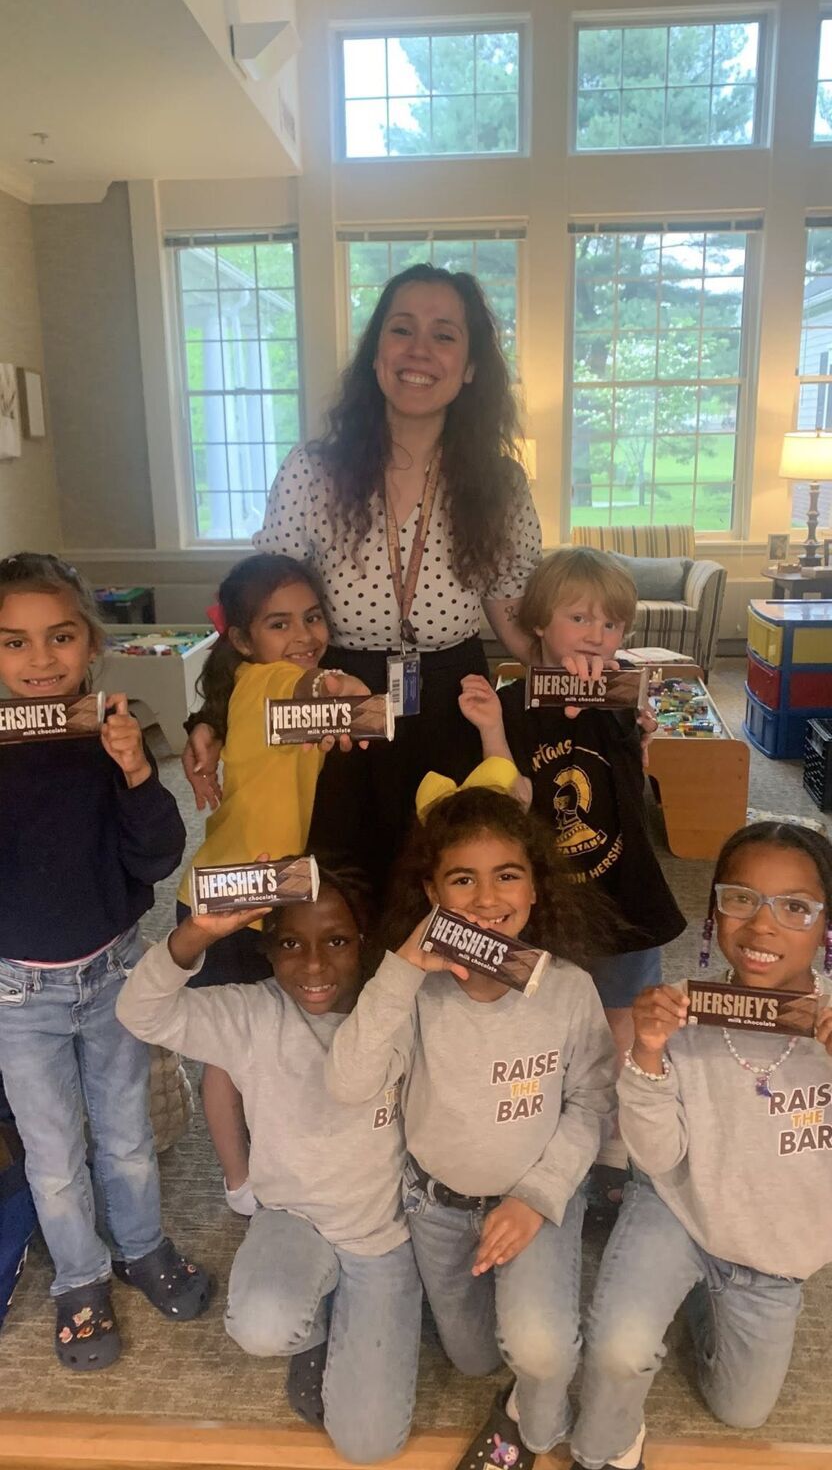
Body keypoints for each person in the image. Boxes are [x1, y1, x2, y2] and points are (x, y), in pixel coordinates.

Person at [183, 263, 541, 894]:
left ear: (470, 367)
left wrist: (596, 685)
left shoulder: (500, 484)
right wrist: (212, 714)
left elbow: (514, 616)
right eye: (401, 330)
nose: (420, 350)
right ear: (376, 356)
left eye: (444, 335)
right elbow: (260, 608)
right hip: (335, 694)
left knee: (446, 877)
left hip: (452, 699)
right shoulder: (312, 469)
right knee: (337, 879)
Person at [325, 765, 618, 1470]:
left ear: (536, 886)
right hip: (437, 1207)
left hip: (534, 1198)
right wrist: (402, 966)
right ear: (432, 893)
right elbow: (349, 1084)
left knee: (540, 1349)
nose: (487, 898)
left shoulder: (569, 990)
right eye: (463, 880)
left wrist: (537, 1198)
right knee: (475, 1358)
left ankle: (536, 1425)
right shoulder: (411, 990)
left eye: (507, 876)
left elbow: (592, 1103)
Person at [117, 869, 422, 1466]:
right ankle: (315, 1328)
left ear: (364, 942)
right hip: (292, 1217)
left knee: (368, 1444)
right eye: (291, 943)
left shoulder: (396, 1007)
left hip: (381, 1238)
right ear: (268, 949)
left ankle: (351, 1310)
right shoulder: (252, 1012)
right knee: (262, 1324)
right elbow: (140, 1013)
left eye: (337, 941)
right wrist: (198, 934)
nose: (314, 964)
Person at [0, 552, 210, 1371]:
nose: (40, 658)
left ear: (91, 643)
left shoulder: (117, 732)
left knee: (125, 1134)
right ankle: (79, 1277)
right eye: (13, 642)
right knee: (53, 1154)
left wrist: (136, 773)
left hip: (113, 970)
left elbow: (156, 857)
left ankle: (140, 1246)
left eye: (59, 637)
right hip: (18, 993)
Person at [569, 820, 832, 1470]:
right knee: (620, 1350)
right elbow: (658, 1156)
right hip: (678, 1210)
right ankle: (602, 1451)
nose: (762, 926)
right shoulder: (682, 1013)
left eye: (795, 907)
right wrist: (648, 1054)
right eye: (741, 898)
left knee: (741, 1410)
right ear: (714, 914)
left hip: (774, 1254)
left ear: (826, 927)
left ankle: (698, 1296)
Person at [459, 546, 685, 1208]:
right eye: (579, 617)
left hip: (624, 897)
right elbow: (511, 800)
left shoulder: (621, 696)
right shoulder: (512, 703)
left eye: (610, 624)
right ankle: (546, 1132)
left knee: (620, 1024)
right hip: (552, 900)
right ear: (537, 623)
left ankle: (611, 1150)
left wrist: (635, 724)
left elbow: (635, 788)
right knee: (545, 1020)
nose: (595, 634)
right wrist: (492, 730)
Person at [175, 552, 370, 1216]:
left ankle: (270, 1162)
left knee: (266, 1040)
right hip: (225, 900)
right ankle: (238, 1182)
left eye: (312, 618)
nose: (304, 635)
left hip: (270, 892)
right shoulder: (269, 681)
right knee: (227, 1054)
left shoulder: (249, 685)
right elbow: (310, 684)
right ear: (242, 639)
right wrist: (340, 686)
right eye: (279, 624)